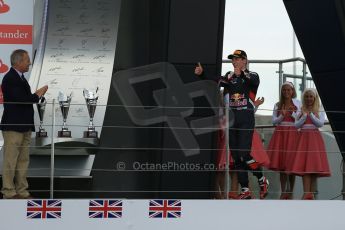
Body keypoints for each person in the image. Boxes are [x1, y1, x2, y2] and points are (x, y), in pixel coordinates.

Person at [195, 49, 269, 199]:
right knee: (236, 157)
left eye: (237, 59)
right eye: (233, 59)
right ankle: (245, 190)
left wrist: (240, 74)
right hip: (232, 119)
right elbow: (215, 80)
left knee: (244, 153)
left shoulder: (252, 75)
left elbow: (253, 82)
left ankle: (262, 180)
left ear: (244, 61)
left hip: (245, 117)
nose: (234, 61)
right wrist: (202, 73)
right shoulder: (229, 77)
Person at [0, 49, 48, 199]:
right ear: (19, 62)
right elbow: (22, 99)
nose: (29, 63)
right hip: (13, 127)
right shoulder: (10, 78)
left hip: (24, 126)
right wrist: (37, 94)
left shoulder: (20, 78)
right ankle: (8, 191)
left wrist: (35, 96)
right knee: (10, 160)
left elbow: (24, 99)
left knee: (23, 160)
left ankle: (21, 190)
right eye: (27, 60)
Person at [215, 96, 270, 199]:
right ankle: (241, 191)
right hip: (232, 132)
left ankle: (258, 180)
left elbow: (248, 113)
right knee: (235, 163)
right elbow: (222, 116)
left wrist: (255, 105)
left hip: (244, 132)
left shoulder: (243, 91)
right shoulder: (226, 95)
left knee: (244, 158)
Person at [289, 88, 330, 200]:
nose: (309, 99)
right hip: (303, 138)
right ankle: (306, 192)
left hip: (315, 139)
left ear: (315, 98)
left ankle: (310, 193)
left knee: (313, 167)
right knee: (305, 166)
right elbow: (296, 125)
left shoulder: (319, 110)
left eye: (311, 96)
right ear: (304, 98)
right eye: (307, 96)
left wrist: (310, 115)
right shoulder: (301, 109)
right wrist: (304, 116)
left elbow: (320, 124)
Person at [267, 81, 301, 199]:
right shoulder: (277, 104)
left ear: (292, 91)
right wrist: (282, 115)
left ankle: (290, 191)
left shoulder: (298, 104)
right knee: (282, 164)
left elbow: (299, 121)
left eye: (289, 90)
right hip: (281, 134)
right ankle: (283, 192)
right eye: (284, 90)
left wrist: (292, 114)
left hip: (292, 134)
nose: (286, 92)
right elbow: (274, 121)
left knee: (291, 165)